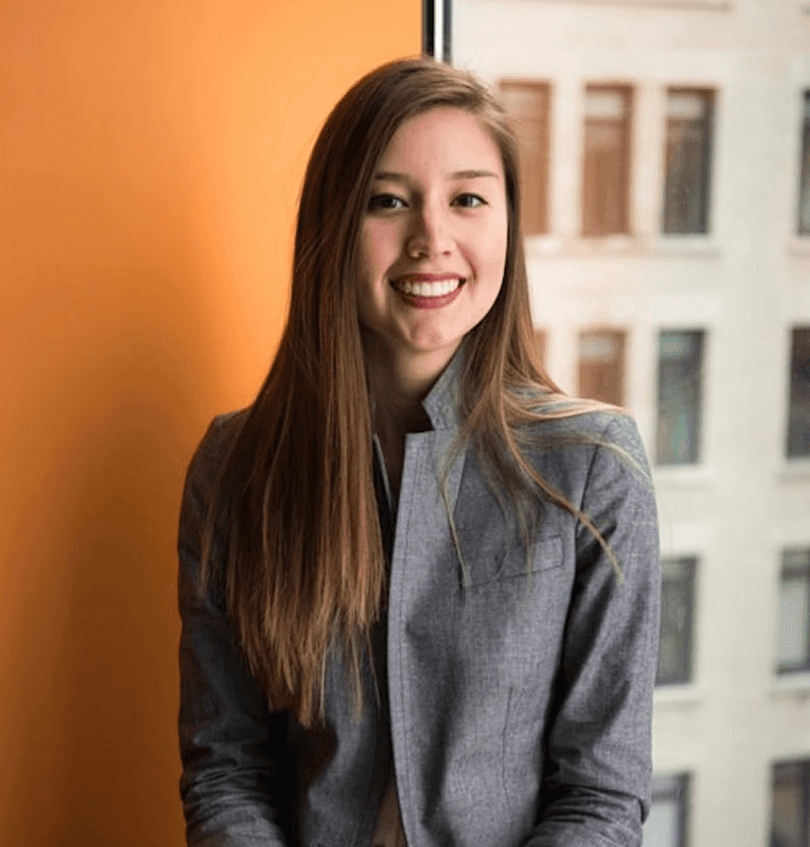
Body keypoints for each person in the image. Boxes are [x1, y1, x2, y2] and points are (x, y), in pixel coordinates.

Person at [177, 57, 661, 847]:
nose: (432, 239)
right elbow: (226, 769)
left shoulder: (596, 467)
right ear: (335, 227)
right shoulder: (235, 470)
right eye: (388, 201)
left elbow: (601, 797)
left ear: (507, 224)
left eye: (467, 199)